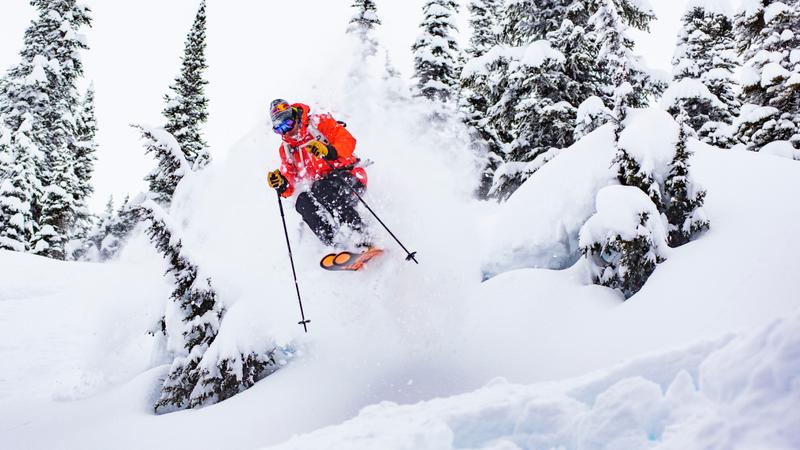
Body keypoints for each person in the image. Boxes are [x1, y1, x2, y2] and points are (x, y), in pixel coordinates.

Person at [266, 99, 371, 249]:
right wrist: (282, 184)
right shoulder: (286, 149)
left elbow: (347, 141)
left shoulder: (318, 123)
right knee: (302, 201)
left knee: (320, 187)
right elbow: (292, 182)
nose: (287, 131)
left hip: (349, 178)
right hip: (322, 191)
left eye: (287, 124)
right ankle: (336, 246)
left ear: (294, 116)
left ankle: (362, 234)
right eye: (280, 129)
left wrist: (328, 151)